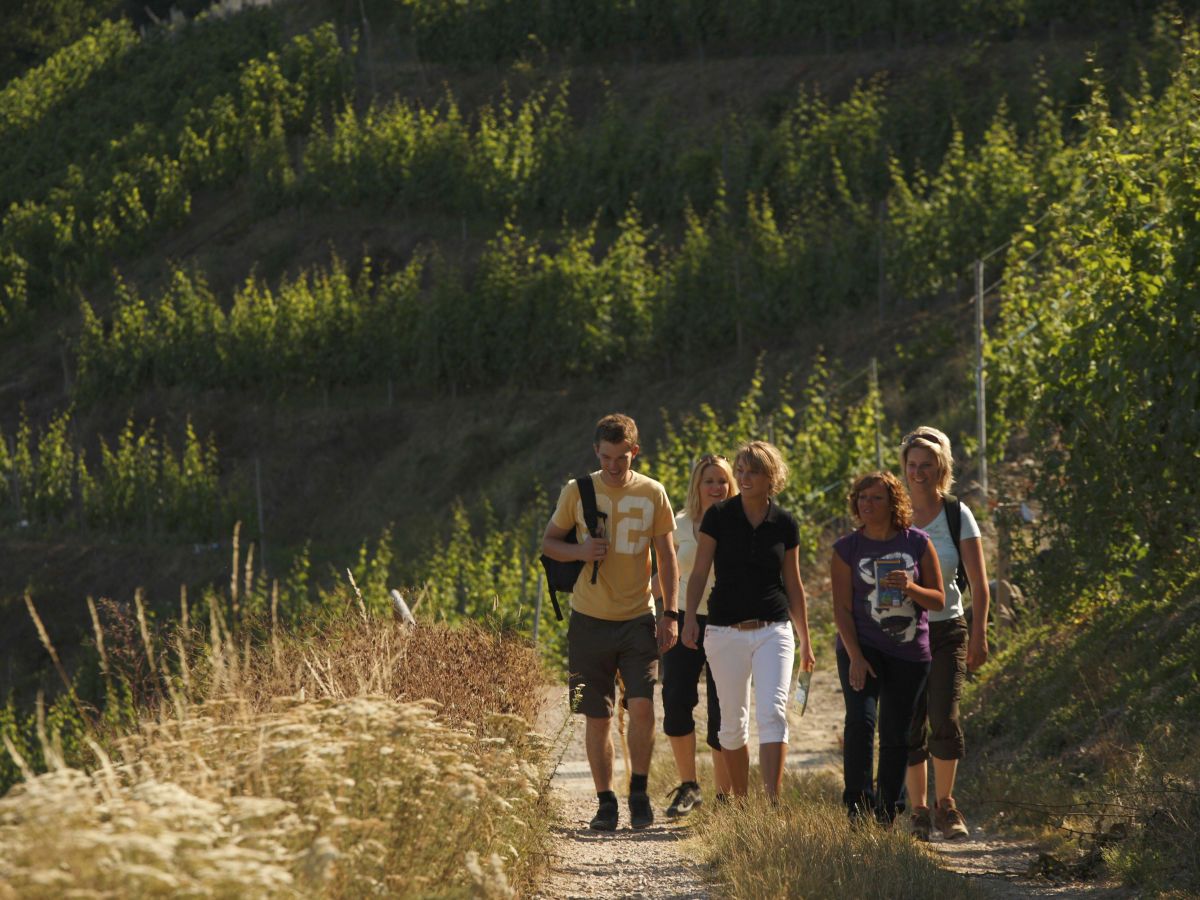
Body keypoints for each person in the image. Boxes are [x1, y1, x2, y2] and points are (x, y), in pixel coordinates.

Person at [542, 413, 680, 831]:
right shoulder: (577, 491)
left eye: (621, 457)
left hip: (639, 618)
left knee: (642, 708)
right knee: (597, 717)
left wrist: (670, 612)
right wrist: (581, 552)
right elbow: (549, 544)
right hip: (588, 622)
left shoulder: (653, 493)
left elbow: (668, 558)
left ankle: (638, 793)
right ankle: (605, 803)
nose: (614, 466)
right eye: (606, 457)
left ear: (634, 452)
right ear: (596, 452)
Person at [682, 441, 815, 801]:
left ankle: (772, 801)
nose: (743, 477)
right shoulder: (718, 517)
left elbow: (794, 582)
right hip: (724, 630)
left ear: (771, 476)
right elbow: (698, 573)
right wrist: (690, 617)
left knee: (773, 713)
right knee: (731, 723)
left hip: (774, 629)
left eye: (752, 471)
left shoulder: (785, 522)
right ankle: (741, 805)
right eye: (739, 470)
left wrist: (806, 640)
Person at [832, 471, 945, 825]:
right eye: (862, 497)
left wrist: (911, 587)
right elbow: (841, 609)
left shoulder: (918, 543)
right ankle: (858, 806)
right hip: (862, 647)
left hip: (909, 653)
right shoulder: (847, 548)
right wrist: (855, 657)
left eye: (876, 498)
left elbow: (939, 600)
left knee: (895, 733)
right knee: (860, 723)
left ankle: (887, 812)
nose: (868, 504)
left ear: (893, 502)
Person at [900, 427, 990, 841]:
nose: (918, 473)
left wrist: (979, 634)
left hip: (948, 630)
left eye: (927, 466)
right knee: (909, 723)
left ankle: (946, 806)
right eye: (912, 465)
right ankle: (917, 810)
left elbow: (979, 581)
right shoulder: (893, 513)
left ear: (942, 469)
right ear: (904, 468)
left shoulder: (957, 514)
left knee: (945, 717)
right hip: (901, 635)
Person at [659, 454, 738, 817]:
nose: (716, 487)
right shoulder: (677, 525)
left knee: (723, 711)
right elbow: (660, 574)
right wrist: (661, 614)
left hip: (728, 623)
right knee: (676, 700)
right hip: (683, 620)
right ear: (697, 485)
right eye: (709, 480)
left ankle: (725, 797)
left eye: (722, 480)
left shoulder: (741, 522)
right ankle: (689, 786)